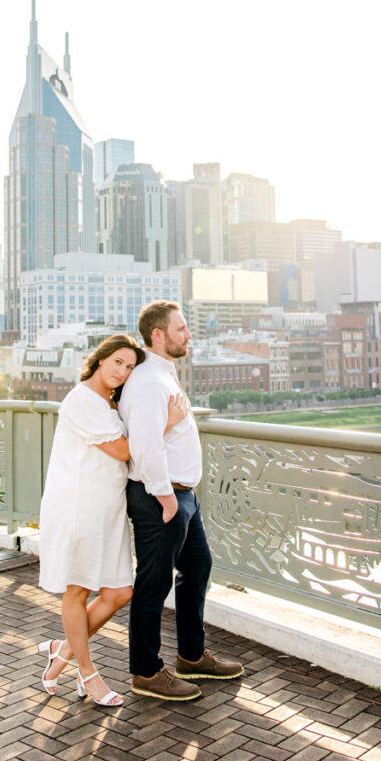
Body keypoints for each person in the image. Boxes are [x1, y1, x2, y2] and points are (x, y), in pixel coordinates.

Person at [37, 333, 189, 706]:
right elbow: (123, 450)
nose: (122, 371)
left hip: (108, 510)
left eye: (130, 367)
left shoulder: (108, 402)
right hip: (78, 507)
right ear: (100, 359)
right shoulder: (83, 400)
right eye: (117, 362)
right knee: (78, 590)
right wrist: (165, 423)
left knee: (120, 592)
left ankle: (64, 649)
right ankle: (89, 675)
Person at [118, 301, 244, 701]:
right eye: (181, 328)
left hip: (180, 496)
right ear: (159, 334)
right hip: (163, 497)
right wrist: (166, 497)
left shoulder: (162, 376)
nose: (188, 335)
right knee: (153, 584)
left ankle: (191, 656)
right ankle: (146, 671)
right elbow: (144, 446)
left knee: (198, 565)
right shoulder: (149, 382)